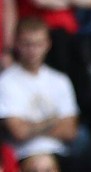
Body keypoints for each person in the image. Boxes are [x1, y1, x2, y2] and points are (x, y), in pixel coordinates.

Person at [0, 18, 78, 161]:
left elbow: (70, 131)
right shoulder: (5, 82)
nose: (33, 50)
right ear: (17, 44)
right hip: (22, 155)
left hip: (58, 155)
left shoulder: (61, 80)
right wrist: (52, 122)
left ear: (48, 44)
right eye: (27, 44)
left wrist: (31, 127)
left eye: (38, 44)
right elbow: (19, 132)